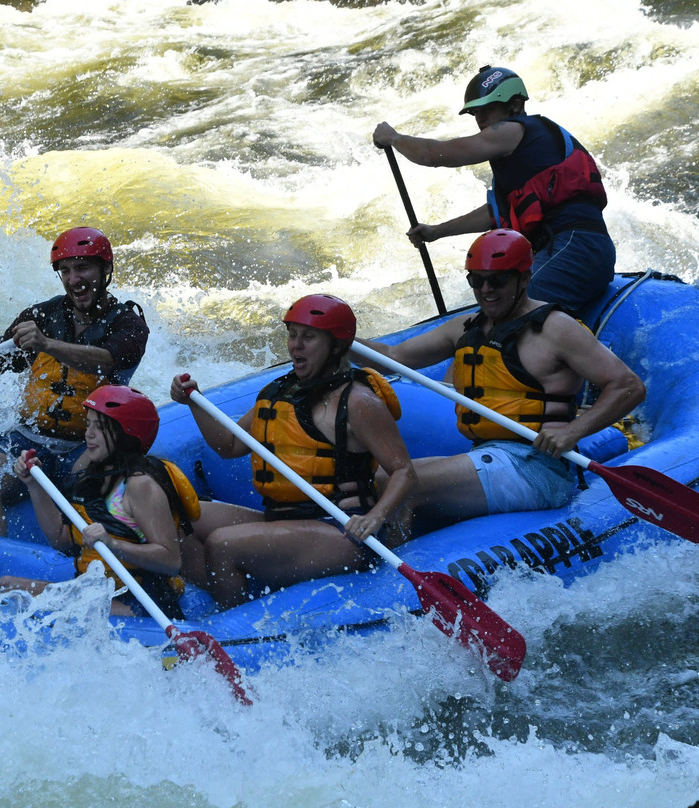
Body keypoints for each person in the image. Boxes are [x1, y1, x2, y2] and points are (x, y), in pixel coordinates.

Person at [356, 229, 646, 532]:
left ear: (524, 278)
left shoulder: (556, 328)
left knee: (400, 486)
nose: (486, 290)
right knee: (377, 481)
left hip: (537, 468)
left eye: (497, 280)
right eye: (476, 280)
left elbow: (629, 386)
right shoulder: (466, 327)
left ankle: (396, 569)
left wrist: (574, 431)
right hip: (486, 454)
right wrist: (338, 337)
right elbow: (394, 356)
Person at [169, 294, 418, 610]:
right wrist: (193, 401)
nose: (295, 345)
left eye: (309, 337)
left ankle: (232, 621)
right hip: (280, 520)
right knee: (177, 514)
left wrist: (375, 516)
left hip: (341, 532)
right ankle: (240, 591)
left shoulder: (357, 402)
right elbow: (229, 446)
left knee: (223, 544)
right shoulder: (279, 393)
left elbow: (404, 472)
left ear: (337, 345)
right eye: (292, 334)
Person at [0, 227, 149, 536]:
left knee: (89, 491)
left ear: (105, 269)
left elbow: (106, 359)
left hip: (90, 443)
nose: (73, 279)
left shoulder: (129, 324)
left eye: (82, 268)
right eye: (65, 271)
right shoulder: (43, 315)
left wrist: (46, 344)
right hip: (29, 436)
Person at [373, 64, 615, 317]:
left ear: (515, 105)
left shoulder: (515, 130)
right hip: (579, 250)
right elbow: (497, 213)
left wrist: (393, 138)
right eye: (475, 112)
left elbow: (434, 155)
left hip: (574, 249)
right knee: (498, 311)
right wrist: (436, 232)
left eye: (488, 109)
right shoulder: (526, 154)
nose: (480, 119)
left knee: (509, 315)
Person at [0, 385, 199, 618]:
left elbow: (170, 561)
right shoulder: (93, 475)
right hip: (96, 590)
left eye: (99, 427)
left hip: (142, 601)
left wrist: (112, 544)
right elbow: (60, 538)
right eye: (88, 424)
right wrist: (34, 484)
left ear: (126, 434)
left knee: (17, 601)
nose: (88, 433)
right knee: (4, 587)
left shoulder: (140, 485)